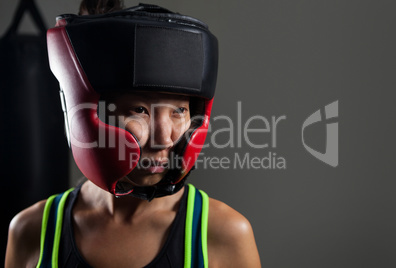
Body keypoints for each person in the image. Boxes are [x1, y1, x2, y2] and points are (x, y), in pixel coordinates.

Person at [5, 3, 261, 268]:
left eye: (179, 111)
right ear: (93, 113)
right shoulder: (31, 231)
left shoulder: (225, 234)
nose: (164, 138)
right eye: (139, 110)